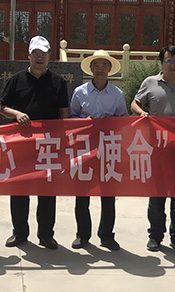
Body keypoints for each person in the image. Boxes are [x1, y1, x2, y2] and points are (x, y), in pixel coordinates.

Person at [0, 36, 69, 250]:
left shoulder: (58, 81)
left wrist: (63, 139)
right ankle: (19, 233)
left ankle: (46, 234)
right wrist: (17, 114)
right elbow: (2, 107)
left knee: (47, 190)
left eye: (44, 54)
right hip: (21, 143)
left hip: (49, 144)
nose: (40, 58)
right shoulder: (16, 80)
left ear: (50, 56)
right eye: (35, 54)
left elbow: (64, 113)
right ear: (28, 56)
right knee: (19, 189)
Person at [131, 45, 175, 254]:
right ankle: (155, 235)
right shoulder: (150, 83)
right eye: (169, 61)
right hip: (157, 147)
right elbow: (135, 103)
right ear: (161, 63)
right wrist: (141, 113)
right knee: (157, 194)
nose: (173, 65)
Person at [69, 50, 127, 251]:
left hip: (108, 148)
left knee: (108, 194)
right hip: (84, 148)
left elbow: (123, 120)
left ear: (110, 69)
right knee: (82, 193)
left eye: (104, 65)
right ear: (90, 68)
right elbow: (71, 117)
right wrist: (85, 121)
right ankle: (82, 235)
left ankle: (107, 235)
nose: (100, 69)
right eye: (96, 65)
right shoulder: (80, 92)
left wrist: (110, 121)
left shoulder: (117, 94)